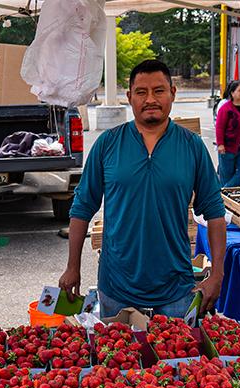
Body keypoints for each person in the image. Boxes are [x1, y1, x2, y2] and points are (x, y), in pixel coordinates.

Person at [59, 59, 227, 318]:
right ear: (129, 97)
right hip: (116, 285)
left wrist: (217, 273)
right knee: (118, 357)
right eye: (141, 92)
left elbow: (215, 212)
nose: (150, 99)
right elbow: (82, 208)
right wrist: (73, 267)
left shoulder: (192, 146)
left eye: (159, 90)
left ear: (172, 93)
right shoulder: (107, 144)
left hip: (176, 287)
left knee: (176, 357)